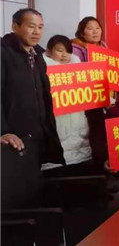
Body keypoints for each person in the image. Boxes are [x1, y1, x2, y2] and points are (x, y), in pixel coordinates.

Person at [1, 9, 64, 167]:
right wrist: (3, 132)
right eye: (31, 26)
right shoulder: (3, 53)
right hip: (13, 138)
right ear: (15, 27)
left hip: (36, 134)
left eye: (40, 27)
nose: (37, 32)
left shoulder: (37, 56)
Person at [41, 35, 96, 177]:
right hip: (58, 130)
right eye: (59, 50)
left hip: (80, 136)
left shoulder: (80, 73)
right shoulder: (41, 73)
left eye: (68, 51)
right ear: (48, 51)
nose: (64, 55)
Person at [71, 16, 108, 172]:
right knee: (91, 135)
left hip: (102, 98)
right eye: (90, 29)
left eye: (97, 28)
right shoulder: (75, 50)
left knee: (101, 134)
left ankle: (103, 169)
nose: (95, 32)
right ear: (82, 32)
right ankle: (94, 170)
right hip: (85, 99)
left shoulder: (105, 49)